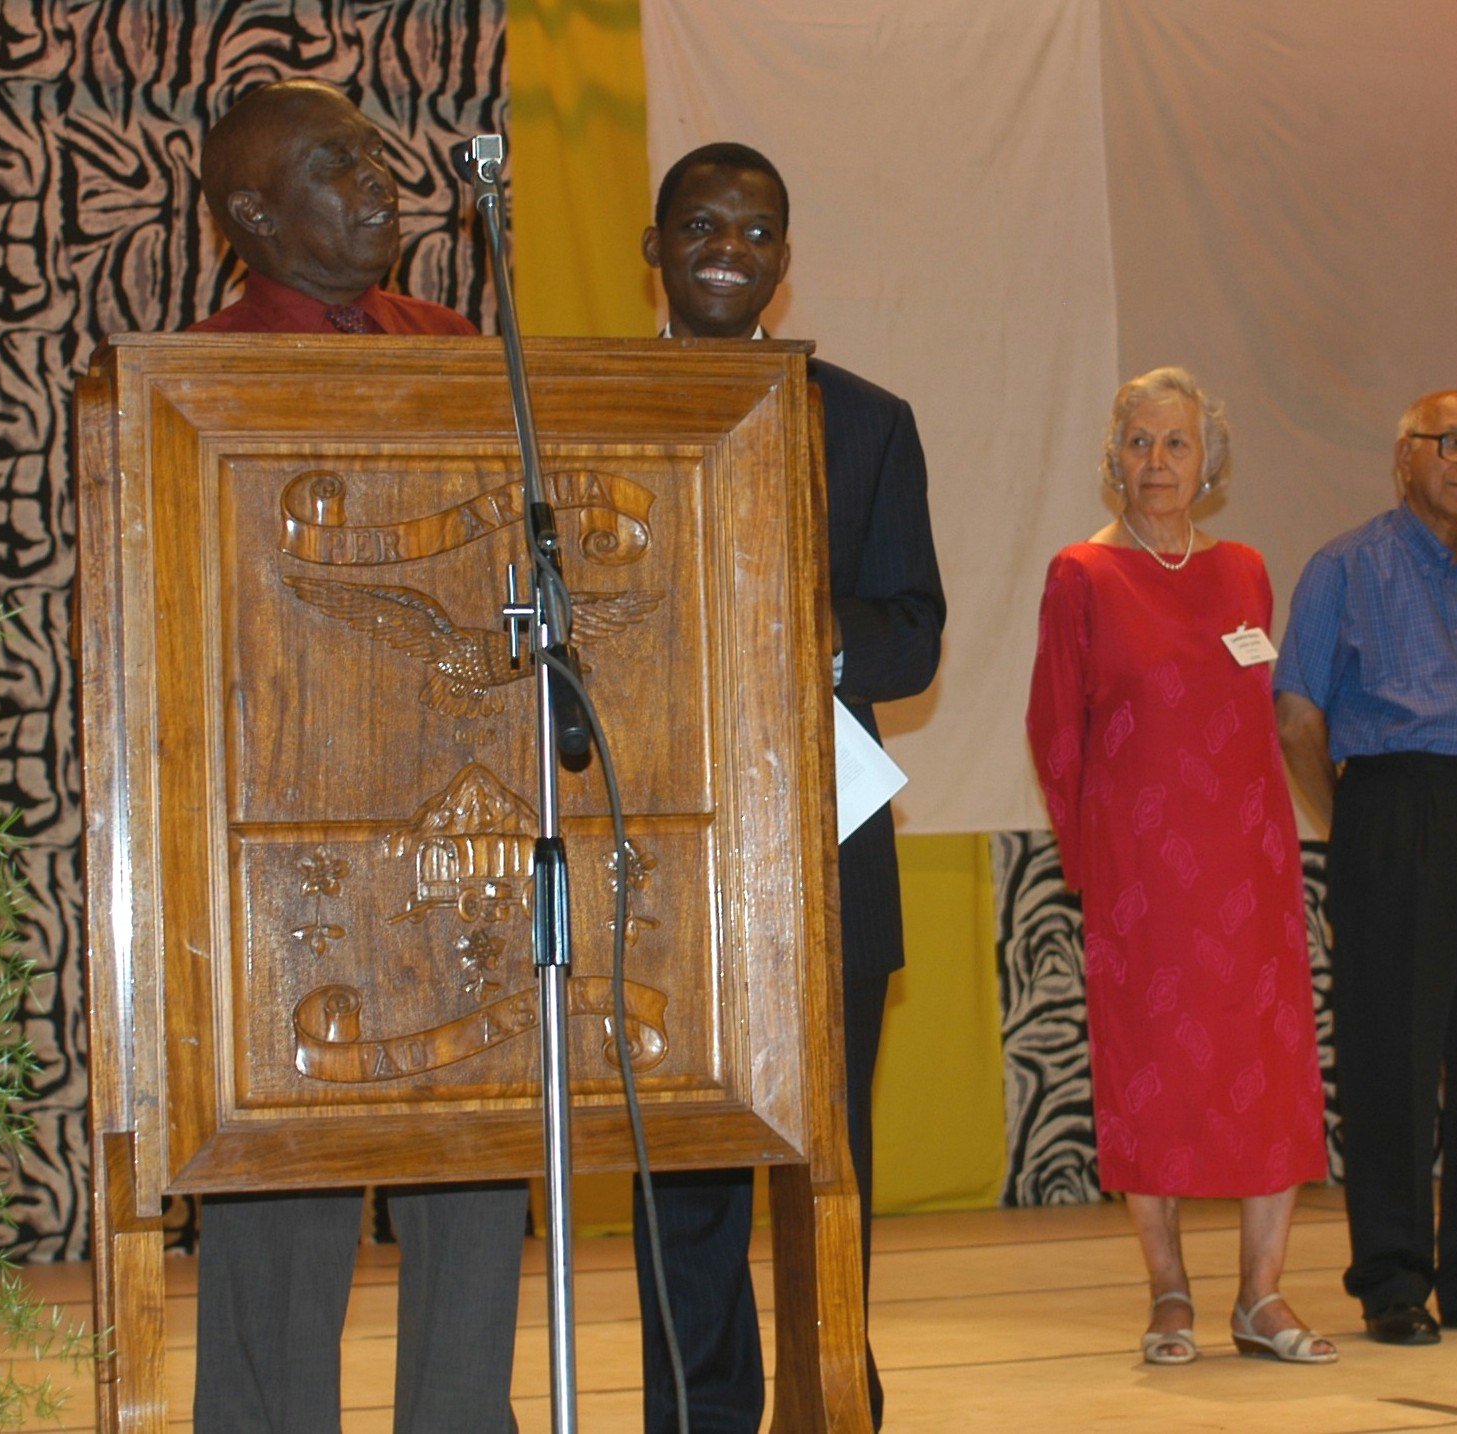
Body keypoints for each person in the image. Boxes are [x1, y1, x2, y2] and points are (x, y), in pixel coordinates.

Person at [188, 79, 527, 1432]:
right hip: (290, 838)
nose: (378, 182)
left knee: (470, 1168)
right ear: (252, 213)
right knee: (286, 1174)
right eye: (335, 167)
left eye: (377, 156)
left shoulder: (453, 345)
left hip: (458, 824)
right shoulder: (195, 374)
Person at [634, 142, 944, 1433]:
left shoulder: (863, 419)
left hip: (823, 852)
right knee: (685, 1182)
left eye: (755, 229)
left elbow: (911, 632)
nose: (727, 246)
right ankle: (696, 1415)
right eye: (699, 223)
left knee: (826, 1163)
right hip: (651, 855)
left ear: (782, 256)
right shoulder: (586, 402)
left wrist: (799, 626)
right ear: (651, 248)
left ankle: (832, 1403)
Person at [1025, 368, 1335, 1368]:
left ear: (1212, 464)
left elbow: (1265, 716)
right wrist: (1089, 865)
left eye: (1176, 444)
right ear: (1114, 457)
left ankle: (1262, 1295)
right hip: (1141, 876)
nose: (1156, 462)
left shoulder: (1245, 570)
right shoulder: (1082, 574)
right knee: (1150, 1077)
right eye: (1139, 443)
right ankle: (1168, 1291)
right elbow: (1053, 729)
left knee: (1270, 1069)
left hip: (1252, 867)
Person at [1275, 390, 1457, 1345]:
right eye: (1452, 444)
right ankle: (1393, 1282)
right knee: (1391, 1060)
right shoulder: (1342, 567)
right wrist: (1350, 826)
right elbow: (1295, 716)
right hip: (1389, 807)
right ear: (1404, 455)